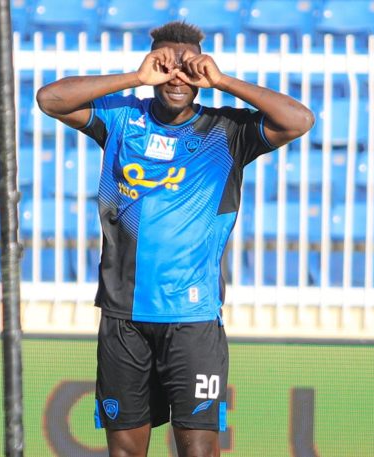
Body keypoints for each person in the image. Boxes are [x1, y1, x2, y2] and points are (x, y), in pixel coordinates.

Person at [37, 21, 314, 457]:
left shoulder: (228, 131)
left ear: (202, 72)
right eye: (166, 66)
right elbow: (48, 99)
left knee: (199, 451)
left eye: (188, 67)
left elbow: (300, 120)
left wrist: (223, 81)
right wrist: (135, 77)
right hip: (123, 316)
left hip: (192, 320)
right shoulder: (121, 118)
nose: (177, 76)